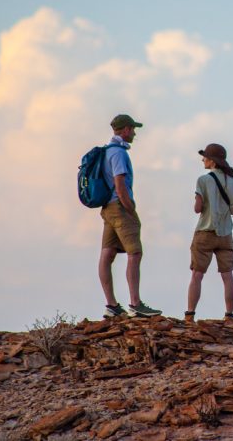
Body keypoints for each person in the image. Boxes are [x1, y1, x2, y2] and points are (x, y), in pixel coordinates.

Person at [98, 114, 162, 318]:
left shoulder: (107, 151)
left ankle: (111, 306)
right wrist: (130, 207)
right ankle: (135, 304)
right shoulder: (119, 153)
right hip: (119, 207)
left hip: (107, 207)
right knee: (135, 253)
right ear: (125, 129)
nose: (134, 133)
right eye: (133, 129)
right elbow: (120, 185)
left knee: (107, 253)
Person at [185, 143, 233, 323]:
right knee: (228, 276)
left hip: (205, 231)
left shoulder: (203, 180)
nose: (202, 159)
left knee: (197, 275)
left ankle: (190, 315)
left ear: (212, 160)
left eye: (205, 157)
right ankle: (229, 316)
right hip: (226, 234)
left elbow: (197, 209)